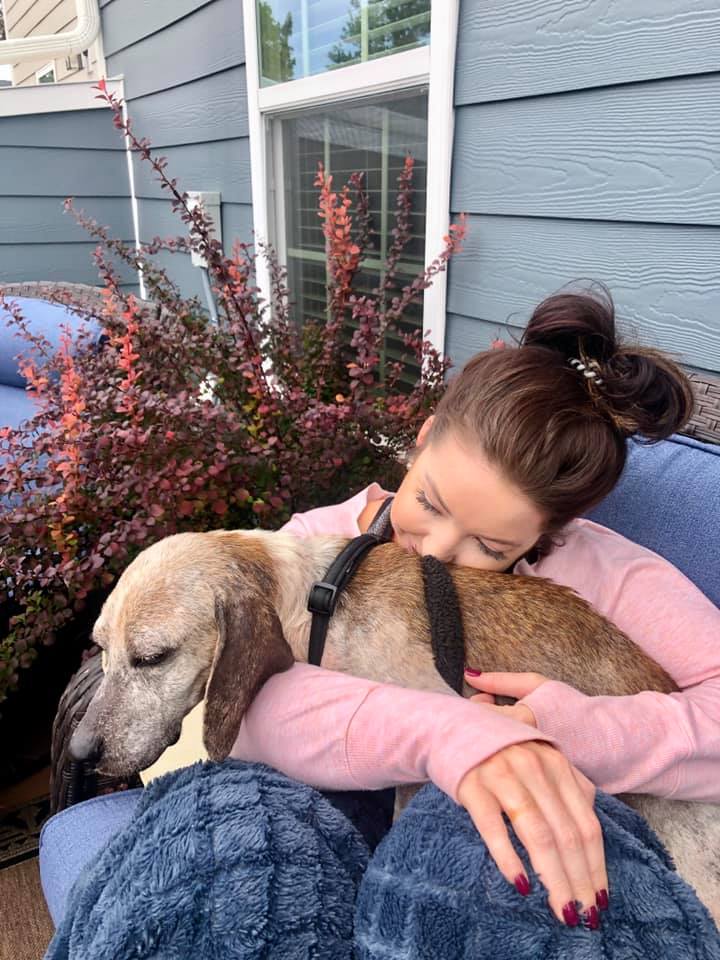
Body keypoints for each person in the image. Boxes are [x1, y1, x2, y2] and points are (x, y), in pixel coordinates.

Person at [229, 286, 720, 932]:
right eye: (430, 503)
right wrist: (449, 736)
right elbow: (241, 711)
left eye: (490, 546)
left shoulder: (602, 570)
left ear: (554, 531)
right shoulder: (320, 541)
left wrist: (581, 730)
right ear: (425, 436)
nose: (434, 549)